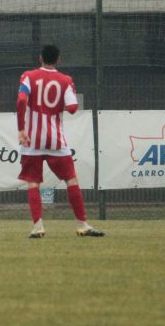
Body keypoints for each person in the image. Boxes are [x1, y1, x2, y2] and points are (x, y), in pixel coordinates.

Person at [16, 45, 104, 238]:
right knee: (71, 180)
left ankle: (38, 226)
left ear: (40, 58)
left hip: (32, 139)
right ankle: (83, 225)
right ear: (59, 60)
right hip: (56, 140)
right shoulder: (66, 80)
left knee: (33, 183)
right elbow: (72, 107)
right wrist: (59, 102)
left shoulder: (28, 76)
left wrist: (21, 129)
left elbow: (22, 100)